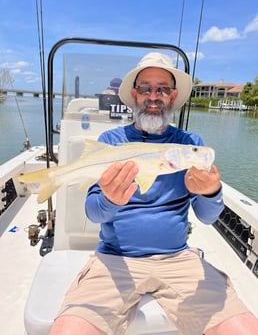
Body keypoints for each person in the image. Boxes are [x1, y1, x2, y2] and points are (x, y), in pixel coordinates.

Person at [49, 53, 258, 335]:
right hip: (114, 259)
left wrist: (211, 192)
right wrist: (110, 200)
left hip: (178, 259)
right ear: (134, 95)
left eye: (162, 89)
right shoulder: (110, 142)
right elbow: (93, 212)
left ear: (173, 96)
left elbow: (207, 218)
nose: (153, 96)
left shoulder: (189, 144)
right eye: (146, 88)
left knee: (244, 329)